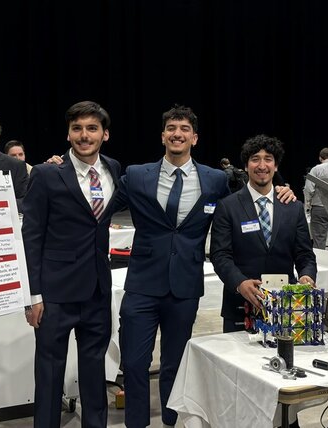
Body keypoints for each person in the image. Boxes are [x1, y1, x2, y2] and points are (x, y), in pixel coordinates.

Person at [111, 105, 296, 428]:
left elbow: (244, 204)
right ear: (162, 135)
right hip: (142, 284)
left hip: (184, 286)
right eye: (171, 128)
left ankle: (172, 421)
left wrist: (282, 189)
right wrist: (63, 170)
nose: (177, 134)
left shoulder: (214, 180)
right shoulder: (138, 174)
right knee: (135, 363)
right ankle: (136, 423)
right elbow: (99, 203)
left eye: (184, 129)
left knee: (175, 364)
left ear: (194, 138)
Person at [22, 101, 121, 427]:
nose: (84, 135)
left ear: (105, 134)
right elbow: (31, 236)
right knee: (49, 374)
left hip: (97, 291)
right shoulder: (47, 174)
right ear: (68, 134)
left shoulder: (113, 168)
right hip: (55, 295)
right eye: (77, 128)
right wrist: (32, 295)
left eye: (92, 128)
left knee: (94, 372)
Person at [210, 134, 317, 332]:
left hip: (286, 305)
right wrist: (239, 283)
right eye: (255, 159)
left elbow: (305, 254)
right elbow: (220, 255)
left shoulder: (293, 207)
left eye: (268, 159)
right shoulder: (228, 206)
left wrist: (306, 277)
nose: (262, 166)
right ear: (245, 166)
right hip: (241, 306)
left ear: (276, 166)